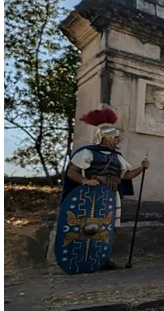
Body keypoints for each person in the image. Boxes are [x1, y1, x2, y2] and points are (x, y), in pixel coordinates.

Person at [61, 108, 150, 270]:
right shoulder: (87, 152)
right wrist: (85, 181)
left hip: (111, 195)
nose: (118, 141)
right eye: (115, 138)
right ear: (106, 137)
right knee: (84, 226)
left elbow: (126, 175)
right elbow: (72, 171)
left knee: (108, 227)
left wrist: (141, 168)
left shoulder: (118, 157)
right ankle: (80, 258)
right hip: (90, 195)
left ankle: (102, 258)